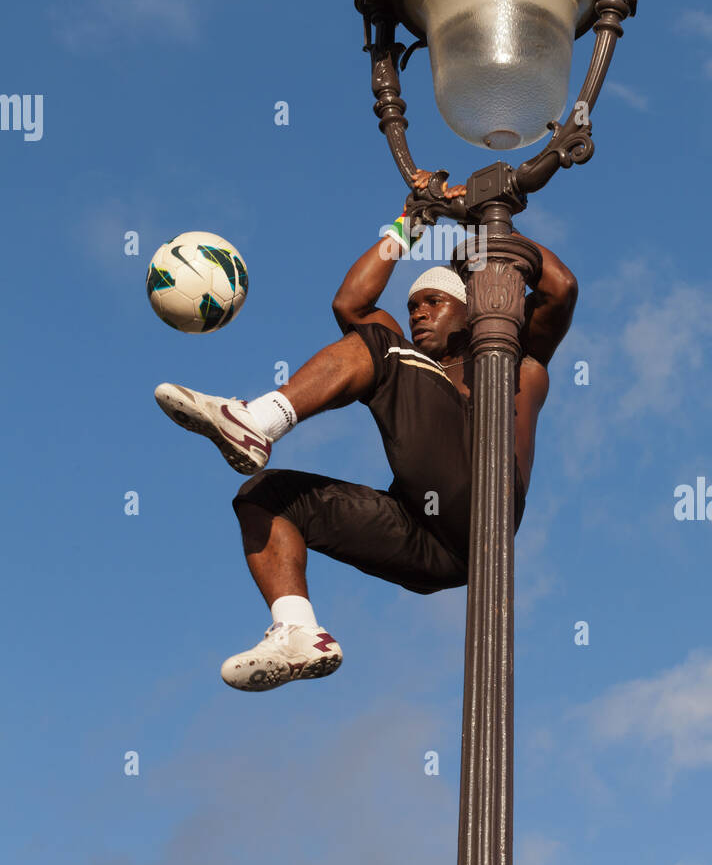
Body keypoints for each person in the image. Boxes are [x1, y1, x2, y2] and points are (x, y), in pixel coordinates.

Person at [154, 172, 577, 693]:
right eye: (413, 306)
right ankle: (298, 632)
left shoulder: (516, 356)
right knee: (265, 496)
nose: (418, 313)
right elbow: (349, 306)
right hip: (434, 549)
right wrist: (411, 221)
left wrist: (485, 220)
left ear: (470, 312)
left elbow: (561, 287)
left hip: (484, 497)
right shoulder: (413, 361)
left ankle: (259, 421)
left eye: (433, 305)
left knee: (378, 345)